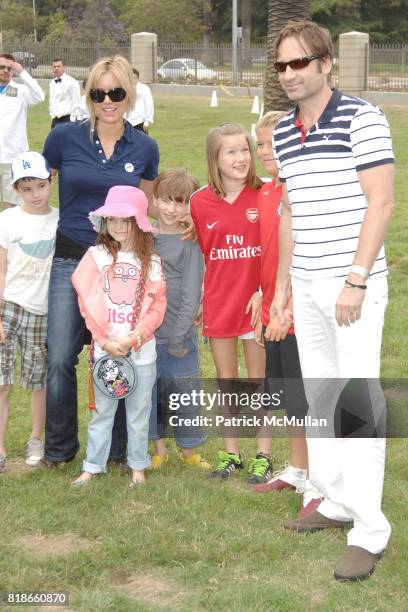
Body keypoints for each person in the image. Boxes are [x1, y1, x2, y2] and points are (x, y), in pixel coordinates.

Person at [270, 20, 394, 581]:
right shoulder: (281, 132)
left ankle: (370, 529)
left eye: (300, 63)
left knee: (357, 403)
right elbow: (291, 212)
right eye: (281, 65)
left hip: (351, 287)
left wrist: (357, 278)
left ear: (325, 64)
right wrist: (282, 291)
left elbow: (382, 203)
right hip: (309, 285)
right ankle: (336, 500)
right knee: (318, 398)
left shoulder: (363, 117)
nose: (290, 73)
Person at [41, 55, 159, 468]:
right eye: (98, 93)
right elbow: (39, 188)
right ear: (88, 94)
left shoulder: (145, 147)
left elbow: (143, 209)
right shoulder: (62, 138)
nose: (107, 101)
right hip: (71, 259)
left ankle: (118, 448)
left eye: (116, 92)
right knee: (58, 355)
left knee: (118, 353)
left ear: (129, 94)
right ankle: (58, 450)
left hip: (121, 264)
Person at [189, 123, 272, 484]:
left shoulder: (267, 195)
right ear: (215, 158)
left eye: (245, 150)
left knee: (259, 381)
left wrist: (268, 295)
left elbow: (276, 251)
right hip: (220, 303)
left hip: (257, 307)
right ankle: (231, 453)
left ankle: (263, 455)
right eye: (231, 152)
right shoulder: (199, 202)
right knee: (227, 380)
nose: (241, 158)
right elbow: (198, 256)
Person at [250, 111, 323, 516]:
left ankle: (319, 481)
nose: (265, 152)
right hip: (273, 307)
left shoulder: (299, 192)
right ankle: (298, 468)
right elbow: (268, 255)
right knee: (289, 397)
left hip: (296, 310)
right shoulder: (266, 193)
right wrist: (264, 298)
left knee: (306, 399)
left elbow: (303, 256)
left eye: (272, 144)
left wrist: (287, 308)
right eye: (260, 144)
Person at [71, 185, 166, 487]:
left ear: (139, 223)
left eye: (125, 220)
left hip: (141, 353)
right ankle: (93, 465)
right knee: (103, 411)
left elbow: (158, 307)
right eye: (112, 219)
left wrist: (136, 337)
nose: (118, 226)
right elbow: (86, 300)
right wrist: (105, 340)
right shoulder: (95, 257)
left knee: (139, 411)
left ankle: (138, 464)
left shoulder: (152, 262)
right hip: (107, 351)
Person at [0, 152, 58, 473]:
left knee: (37, 380)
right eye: (26, 189)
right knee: (2, 381)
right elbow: (1, 269)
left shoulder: (59, 218)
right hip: (9, 307)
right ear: (16, 191)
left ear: (52, 181)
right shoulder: (7, 220)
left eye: (41, 185)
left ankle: (37, 437)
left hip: (41, 312)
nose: (35, 194)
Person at [148, 168, 210, 470]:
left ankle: (189, 451)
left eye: (182, 203)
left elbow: (190, 294)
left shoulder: (190, 242)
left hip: (179, 335)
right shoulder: (144, 236)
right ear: (155, 201)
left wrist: (178, 335)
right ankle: (158, 448)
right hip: (146, 336)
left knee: (185, 394)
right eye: (166, 201)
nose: (173, 209)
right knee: (150, 394)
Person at [0, 53, 45, 209]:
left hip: (13, 156)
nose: (5, 70)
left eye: (9, 68)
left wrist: (22, 72)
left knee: (11, 201)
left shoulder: (21, 91)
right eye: (1, 67)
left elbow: (39, 96)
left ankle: (9, 232)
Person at [49, 58, 81, 129]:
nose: (56, 68)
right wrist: (52, 115)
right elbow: (52, 101)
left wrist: (75, 120)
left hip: (68, 119)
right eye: (54, 67)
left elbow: (77, 102)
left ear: (64, 67)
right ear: (51, 68)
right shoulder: (51, 83)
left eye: (59, 66)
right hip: (55, 119)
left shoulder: (72, 82)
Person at [126, 69, 154, 133]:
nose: (133, 80)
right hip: (127, 122)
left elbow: (149, 104)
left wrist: (147, 121)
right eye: (131, 78)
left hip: (140, 121)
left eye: (134, 78)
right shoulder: (125, 89)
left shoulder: (144, 89)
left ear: (138, 78)